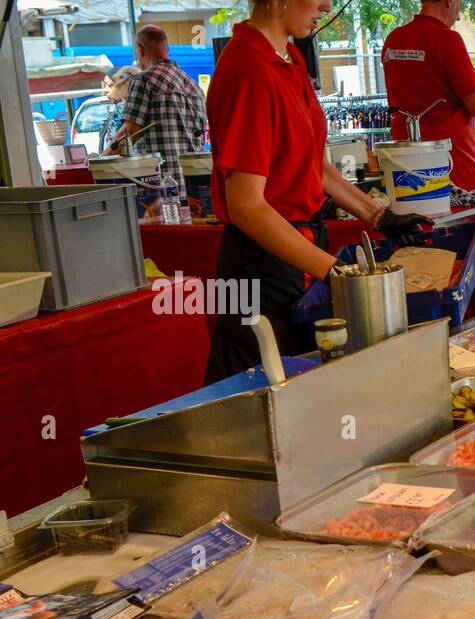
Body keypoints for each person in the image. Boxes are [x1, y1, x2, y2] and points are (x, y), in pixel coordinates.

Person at [204, 0, 427, 382]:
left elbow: (312, 162)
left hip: (297, 256)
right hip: (259, 272)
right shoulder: (248, 70)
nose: (326, 6)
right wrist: (335, 271)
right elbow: (245, 205)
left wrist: (377, 214)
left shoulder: (289, 57)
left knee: (309, 393)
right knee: (259, 404)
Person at [381, 0, 475, 197]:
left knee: (417, 222)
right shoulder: (446, 39)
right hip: (451, 163)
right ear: (450, 1)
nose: (460, 9)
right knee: (466, 223)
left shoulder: (394, 39)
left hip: (406, 164)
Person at [106, 26, 207, 208]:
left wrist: (101, 160)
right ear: (166, 48)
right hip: (193, 192)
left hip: (158, 192)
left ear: (140, 49)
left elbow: (128, 134)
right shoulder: (194, 87)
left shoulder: (144, 80)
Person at [98, 65, 140, 155]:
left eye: (110, 85)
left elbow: (122, 141)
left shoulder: (126, 108)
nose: (105, 90)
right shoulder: (118, 109)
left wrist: (101, 157)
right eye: (104, 85)